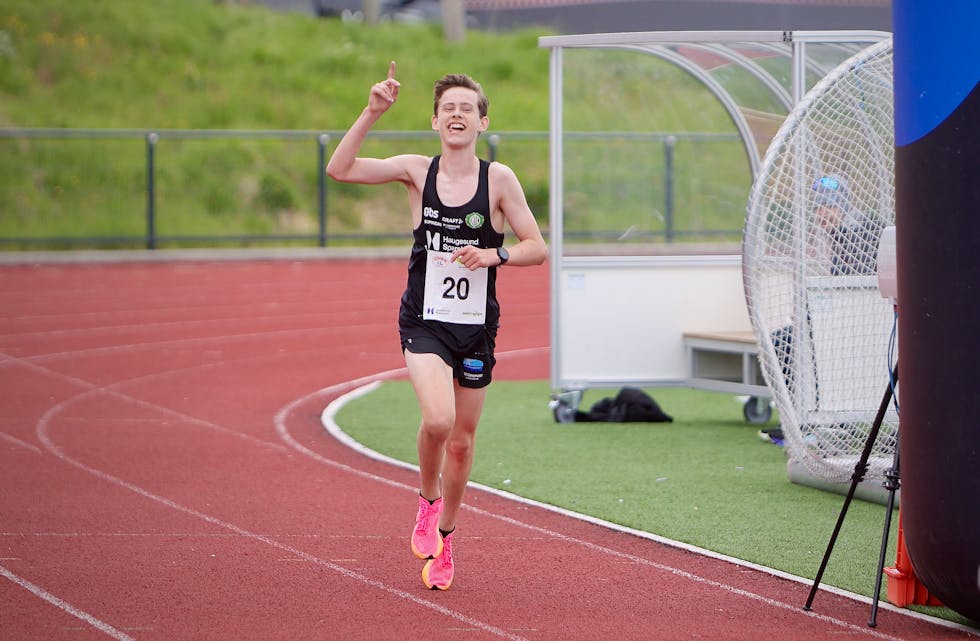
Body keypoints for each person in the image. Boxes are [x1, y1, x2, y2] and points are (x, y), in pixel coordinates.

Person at [326, 62, 548, 590]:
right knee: (439, 420)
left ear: (482, 122)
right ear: (434, 121)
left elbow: (537, 248)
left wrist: (494, 257)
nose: (456, 115)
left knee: (464, 444)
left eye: (466, 109)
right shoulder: (414, 171)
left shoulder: (499, 179)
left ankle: (446, 537)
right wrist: (373, 111)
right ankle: (427, 502)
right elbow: (341, 169)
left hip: (475, 328)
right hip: (424, 321)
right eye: (447, 108)